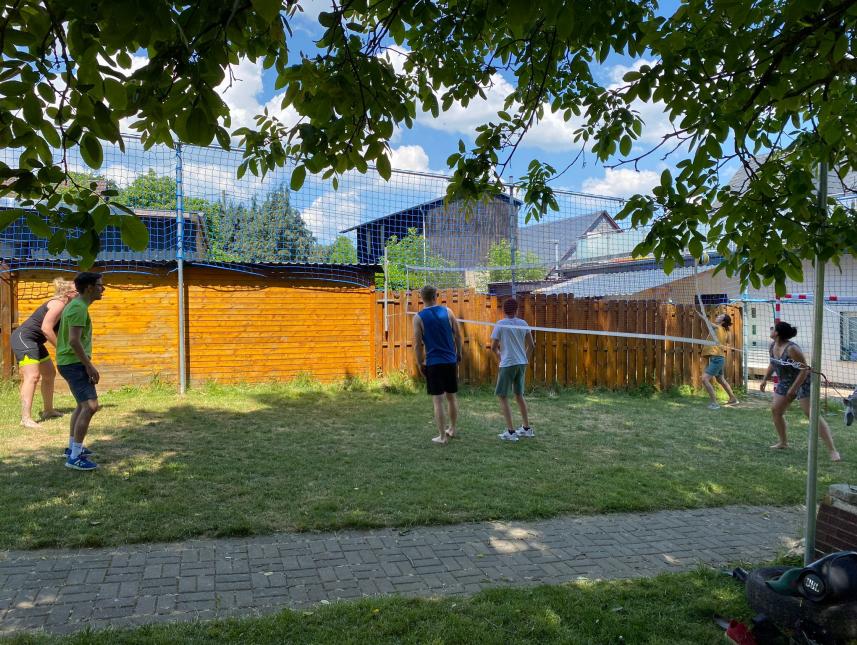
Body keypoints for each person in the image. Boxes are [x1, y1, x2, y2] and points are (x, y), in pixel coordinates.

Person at [760, 321, 841, 462]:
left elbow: (805, 369)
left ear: (777, 333)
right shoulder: (772, 346)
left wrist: (794, 389)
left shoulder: (792, 349)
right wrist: (765, 379)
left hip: (802, 380)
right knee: (776, 410)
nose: (771, 329)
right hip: (786, 380)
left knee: (811, 414)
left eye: (773, 328)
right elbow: (773, 363)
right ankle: (783, 443)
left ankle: (833, 450)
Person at [11, 278, 77, 428]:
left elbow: (56, 330)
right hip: (24, 339)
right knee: (32, 376)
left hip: (35, 342)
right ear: (68, 293)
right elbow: (46, 329)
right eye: (77, 291)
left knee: (49, 374)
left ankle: (48, 410)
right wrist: (61, 348)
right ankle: (25, 418)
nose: (80, 294)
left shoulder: (66, 306)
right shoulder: (58, 304)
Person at [56, 272, 105, 471]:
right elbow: (74, 341)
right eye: (100, 285)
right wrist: (89, 365)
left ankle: (73, 448)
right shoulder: (78, 308)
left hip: (70, 362)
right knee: (91, 406)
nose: (103, 289)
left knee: (81, 405)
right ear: (89, 288)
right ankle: (75, 457)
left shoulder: (77, 305)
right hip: (74, 363)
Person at [413, 285, 463, 445]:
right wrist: (459, 353)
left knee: (438, 401)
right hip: (450, 361)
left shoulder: (419, 317)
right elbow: (458, 335)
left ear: (422, 297)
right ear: (436, 295)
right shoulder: (448, 312)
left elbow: (417, 344)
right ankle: (452, 429)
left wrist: (420, 362)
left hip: (434, 363)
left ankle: (442, 436)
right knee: (451, 397)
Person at [491, 298, 535, 441]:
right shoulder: (523, 323)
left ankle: (511, 432)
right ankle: (526, 429)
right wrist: (525, 359)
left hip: (508, 364)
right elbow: (532, 346)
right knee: (519, 395)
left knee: (503, 396)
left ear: (503, 311)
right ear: (516, 310)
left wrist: (500, 357)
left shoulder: (500, 324)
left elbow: (493, 347)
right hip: (520, 364)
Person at [701, 312, 739, 410]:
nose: (717, 317)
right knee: (720, 379)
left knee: (704, 379)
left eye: (719, 316)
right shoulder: (726, 331)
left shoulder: (718, 328)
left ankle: (714, 403)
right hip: (720, 358)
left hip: (717, 359)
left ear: (722, 321)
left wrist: (703, 316)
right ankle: (733, 399)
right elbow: (728, 341)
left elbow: (708, 323)